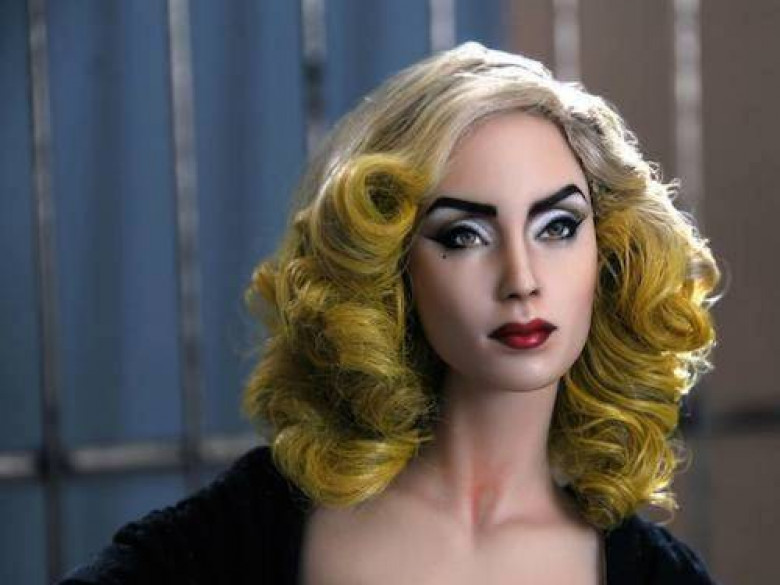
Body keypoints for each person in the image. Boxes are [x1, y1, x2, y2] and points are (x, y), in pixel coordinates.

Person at [60, 42, 722, 584]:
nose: (521, 280)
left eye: (557, 226)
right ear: (391, 264)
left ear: (609, 253)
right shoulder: (252, 527)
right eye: (464, 235)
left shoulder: (649, 574)